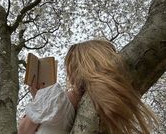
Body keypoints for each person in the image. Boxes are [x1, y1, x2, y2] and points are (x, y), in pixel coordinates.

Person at [18, 39, 158, 134]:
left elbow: (23, 131)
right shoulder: (94, 107)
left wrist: (39, 99)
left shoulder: (52, 94)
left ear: (72, 70)